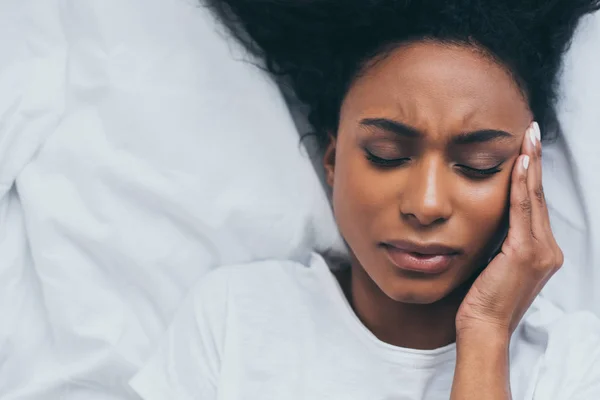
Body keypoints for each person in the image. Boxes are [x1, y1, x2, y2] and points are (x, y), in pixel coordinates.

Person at [130, 1, 600, 399]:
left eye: (478, 164)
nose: (427, 203)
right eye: (387, 155)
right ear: (332, 160)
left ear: (527, 176)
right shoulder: (235, 316)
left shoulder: (574, 362)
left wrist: (487, 336)